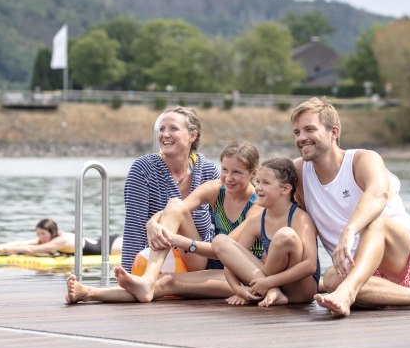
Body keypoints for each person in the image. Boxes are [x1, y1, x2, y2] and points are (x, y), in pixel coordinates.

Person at [66, 141, 264, 304]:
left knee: (167, 281)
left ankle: (89, 292)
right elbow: (174, 210)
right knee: (175, 203)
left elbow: (221, 249)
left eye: (237, 172)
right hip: (204, 261)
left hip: (236, 274)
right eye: (225, 170)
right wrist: (152, 222)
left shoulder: (257, 207)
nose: (228, 178)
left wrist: (179, 240)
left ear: (253, 174)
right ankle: (148, 277)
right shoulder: (215, 189)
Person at [291, 97, 410, 316]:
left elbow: (378, 193)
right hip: (364, 275)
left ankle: (347, 291)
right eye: (297, 132)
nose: (301, 138)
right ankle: (350, 291)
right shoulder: (298, 172)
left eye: (309, 129)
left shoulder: (362, 160)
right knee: (330, 279)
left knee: (377, 221)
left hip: (401, 258)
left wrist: (349, 231)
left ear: (334, 132)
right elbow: (261, 192)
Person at [121, 105, 219, 272]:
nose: (165, 135)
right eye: (162, 129)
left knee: (175, 206)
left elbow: (221, 226)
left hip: (199, 261)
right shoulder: (144, 169)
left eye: (173, 128)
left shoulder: (208, 171)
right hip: (159, 261)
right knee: (174, 205)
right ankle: (146, 280)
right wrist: (126, 277)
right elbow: (134, 231)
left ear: (192, 135)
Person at [212, 158, 320, 307]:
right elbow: (233, 261)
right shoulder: (256, 220)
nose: (258, 187)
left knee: (285, 235)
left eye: (266, 183)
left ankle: (270, 289)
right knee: (220, 241)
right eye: (257, 181)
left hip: (300, 291)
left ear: (285, 189)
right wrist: (238, 289)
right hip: (268, 283)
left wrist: (269, 282)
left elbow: (310, 265)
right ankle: (272, 291)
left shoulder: (300, 218)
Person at [0, 218, 123, 256]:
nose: (41, 237)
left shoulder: (60, 240)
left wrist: (3, 252)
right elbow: (26, 242)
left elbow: (31, 250)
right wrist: (0, 246)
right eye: (38, 234)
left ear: (52, 232)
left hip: (111, 247)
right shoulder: (50, 237)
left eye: (43, 234)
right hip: (103, 241)